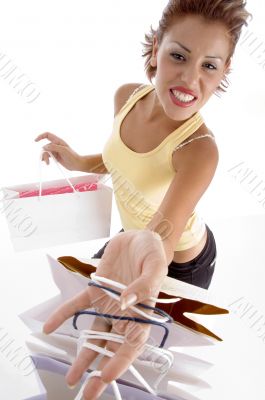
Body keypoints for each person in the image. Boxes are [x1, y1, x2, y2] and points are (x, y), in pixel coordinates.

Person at [35, 1, 252, 398]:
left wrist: (148, 250)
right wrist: (78, 160)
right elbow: (124, 159)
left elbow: (165, 229)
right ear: (156, 50)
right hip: (133, 238)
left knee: (140, 361)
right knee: (89, 329)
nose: (190, 78)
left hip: (180, 258)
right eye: (178, 56)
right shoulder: (127, 97)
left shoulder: (200, 149)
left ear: (224, 72)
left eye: (209, 65)